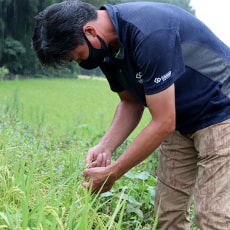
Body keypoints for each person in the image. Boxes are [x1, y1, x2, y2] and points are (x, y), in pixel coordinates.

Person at [32, 1, 230, 229]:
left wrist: (113, 172)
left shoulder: (149, 33)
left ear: (89, 31)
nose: (79, 62)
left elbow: (163, 122)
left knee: (213, 218)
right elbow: (131, 102)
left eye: (76, 56)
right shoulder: (106, 48)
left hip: (221, 110)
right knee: (166, 217)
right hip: (181, 119)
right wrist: (105, 147)